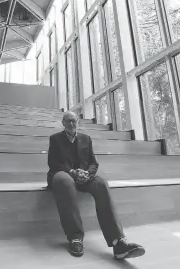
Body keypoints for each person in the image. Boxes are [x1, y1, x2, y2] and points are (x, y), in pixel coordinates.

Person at [47, 111, 145, 259]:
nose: (71, 124)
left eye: (74, 121)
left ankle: (118, 242)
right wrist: (72, 172)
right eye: (68, 121)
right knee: (65, 181)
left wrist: (86, 173)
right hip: (63, 175)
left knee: (101, 182)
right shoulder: (55, 139)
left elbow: (93, 162)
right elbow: (53, 163)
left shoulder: (86, 139)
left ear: (78, 122)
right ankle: (75, 237)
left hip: (82, 176)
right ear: (63, 123)